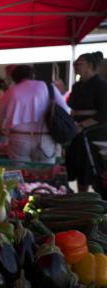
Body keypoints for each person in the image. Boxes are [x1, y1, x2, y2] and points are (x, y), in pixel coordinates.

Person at [0, 65, 70, 164]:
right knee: (45, 174)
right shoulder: (48, 87)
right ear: (33, 75)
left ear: (14, 78)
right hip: (45, 139)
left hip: (19, 140)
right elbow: (65, 110)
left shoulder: (11, 91)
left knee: (21, 175)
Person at [66, 51, 107, 192]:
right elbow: (72, 106)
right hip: (77, 131)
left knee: (89, 167)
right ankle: (80, 197)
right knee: (77, 165)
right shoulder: (77, 86)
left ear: (89, 65)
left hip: (93, 132)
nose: (75, 65)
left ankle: (92, 200)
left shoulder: (101, 85)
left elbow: (104, 112)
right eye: (74, 63)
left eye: (79, 63)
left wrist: (83, 125)